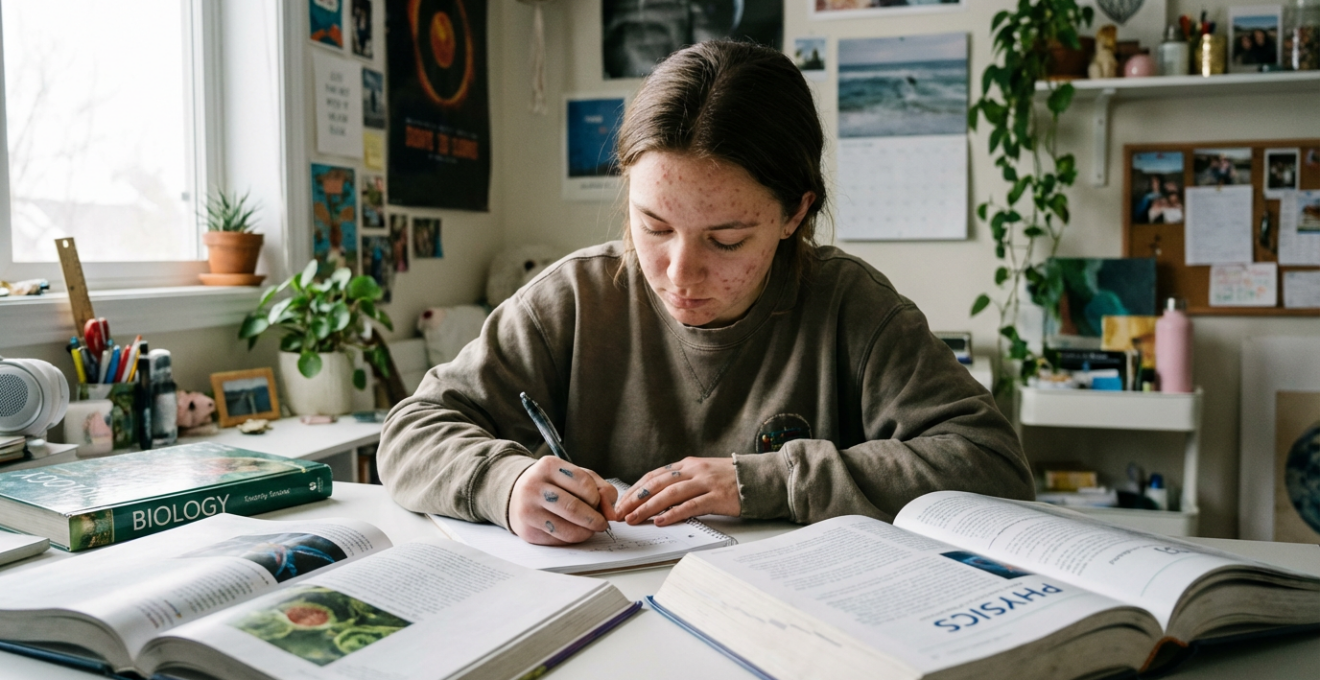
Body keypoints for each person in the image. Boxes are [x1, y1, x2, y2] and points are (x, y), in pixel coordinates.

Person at [377, 41, 1033, 546]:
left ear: (795, 214)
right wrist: (505, 481)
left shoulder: (851, 308)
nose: (679, 273)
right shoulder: (571, 300)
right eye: (654, 227)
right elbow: (409, 433)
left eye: (726, 240)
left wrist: (766, 481)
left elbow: (994, 465)